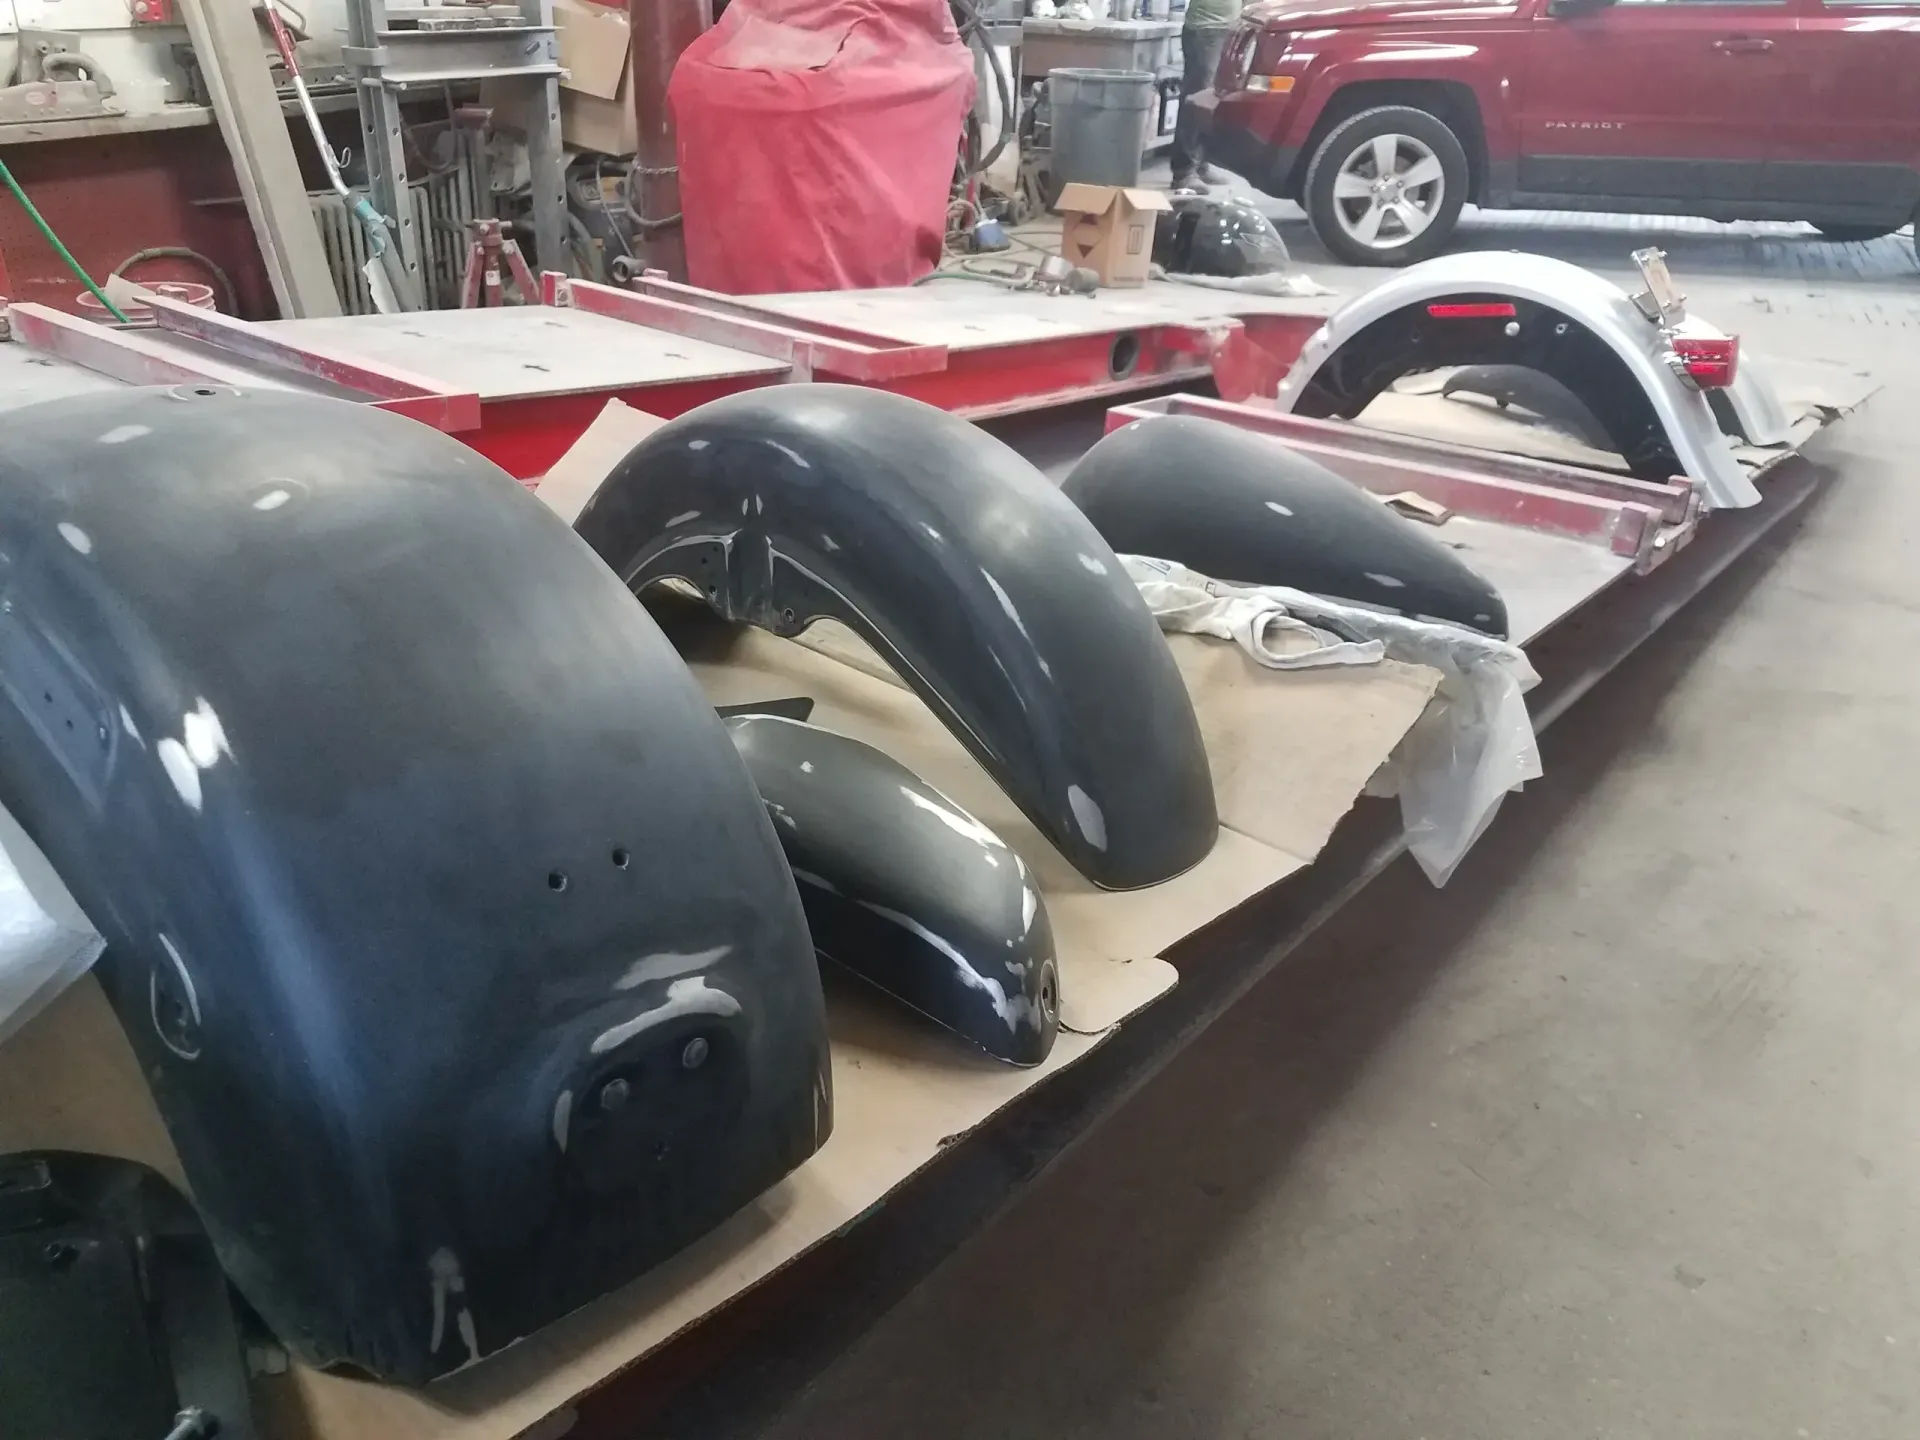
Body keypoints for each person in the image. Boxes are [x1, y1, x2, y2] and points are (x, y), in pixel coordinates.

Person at [1169, 0, 1241, 192]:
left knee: (1211, 101)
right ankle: (1184, 172)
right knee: (1197, 98)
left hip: (1226, 28)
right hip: (1205, 29)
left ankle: (1200, 164)